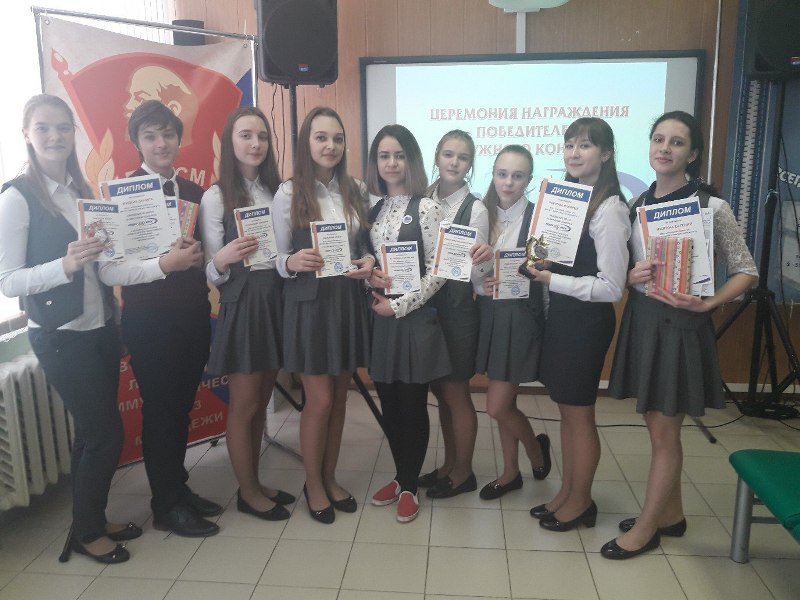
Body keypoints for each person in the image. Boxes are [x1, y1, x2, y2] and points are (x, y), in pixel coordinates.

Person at [603, 110, 758, 559]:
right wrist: (632, 275)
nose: (665, 148)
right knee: (658, 425)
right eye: (659, 139)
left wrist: (710, 303)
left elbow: (747, 270)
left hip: (682, 326)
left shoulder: (711, 206)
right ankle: (671, 515)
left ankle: (646, 529)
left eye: (676, 142)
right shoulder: (637, 204)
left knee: (664, 431)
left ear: (692, 154)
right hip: (643, 320)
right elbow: (630, 270)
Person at [0, 94, 134, 563]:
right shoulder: (16, 198)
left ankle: (88, 520)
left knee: (89, 436)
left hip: (101, 329)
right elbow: (7, 281)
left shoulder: (82, 190)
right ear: (27, 134)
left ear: (73, 133)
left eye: (62, 127)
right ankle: (88, 532)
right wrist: (65, 264)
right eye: (43, 127)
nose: (54, 136)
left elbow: (103, 265)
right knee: (106, 435)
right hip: (60, 336)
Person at [101, 100, 220, 537]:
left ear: (178, 139)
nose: (161, 143)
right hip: (149, 323)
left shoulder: (195, 193)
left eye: (168, 134)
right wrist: (163, 265)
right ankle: (166, 506)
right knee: (161, 412)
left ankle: (178, 489)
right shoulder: (122, 194)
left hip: (193, 315)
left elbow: (208, 256)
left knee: (181, 408)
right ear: (137, 143)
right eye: (150, 136)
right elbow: (110, 271)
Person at [525, 118, 630, 532]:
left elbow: (612, 287)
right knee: (566, 413)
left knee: (580, 415)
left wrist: (551, 279)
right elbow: (557, 258)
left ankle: (582, 502)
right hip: (563, 317)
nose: (574, 153)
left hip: (586, 323)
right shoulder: (568, 199)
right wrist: (539, 261)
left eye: (585, 145)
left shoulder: (611, 208)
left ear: (605, 154)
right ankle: (568, 493)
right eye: (569, 145)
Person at [272, 107, 373, 524]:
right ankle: (312, 483)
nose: (330, 146)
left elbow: (365, 244)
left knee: (340, 399)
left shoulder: (357, 189)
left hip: (347, 300)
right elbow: (274, 256)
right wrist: (290, 261)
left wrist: (368, 259)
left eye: (337, 138)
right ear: (306, 143)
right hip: (310, 305)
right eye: (321, 137)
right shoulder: (287, 193)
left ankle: (329, 478)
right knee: (321, 400)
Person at [199, 106, 292, 522]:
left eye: (262, 136)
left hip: (277, 300)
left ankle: (254, 482)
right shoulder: (216, 196)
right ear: (230, 141)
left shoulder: (279, 191)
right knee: (245, 403)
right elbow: (210, 268)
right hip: (244, 305)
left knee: (262, 401)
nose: (256, 144)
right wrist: (223, 257)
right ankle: (248, 492)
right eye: (246, 135)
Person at [366, 124, 449, 523]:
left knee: (412, 405)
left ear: (411, 160)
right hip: (380, 320)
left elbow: (440, 270)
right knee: (390, 405)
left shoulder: (428, 208)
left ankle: (411, 486)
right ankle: (401, 476)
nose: (392, 163)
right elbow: (369, 262)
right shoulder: (373, 209)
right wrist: (369, 278)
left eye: (399, 155)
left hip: (412, 320)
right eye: (384, 156)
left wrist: (399, 306)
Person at [472, 145, 550, 502]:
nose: (508, 182)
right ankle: (510, 473)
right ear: (493, 174)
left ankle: (536, 451)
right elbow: (467, 268)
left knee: (497, 406)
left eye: (517, 176)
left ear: (529, 179)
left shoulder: (540, 218)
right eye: (502, 174)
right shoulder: (480, 213)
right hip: (488, 313)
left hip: (521, 317)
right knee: (505, 403)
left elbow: (544, 275)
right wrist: (479, 284)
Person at [420, 130, 491, 499]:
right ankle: (449, 465)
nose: (454, 162)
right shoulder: (422, 199)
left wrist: (483, 260)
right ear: (436, 157)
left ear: (470, 165)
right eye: (448, 154)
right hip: (425, 309)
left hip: (458, 310)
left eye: (463, 157)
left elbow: (477, 274)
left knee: (456, 393)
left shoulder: (475, 209)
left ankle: (463, 472)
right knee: (439, 391)